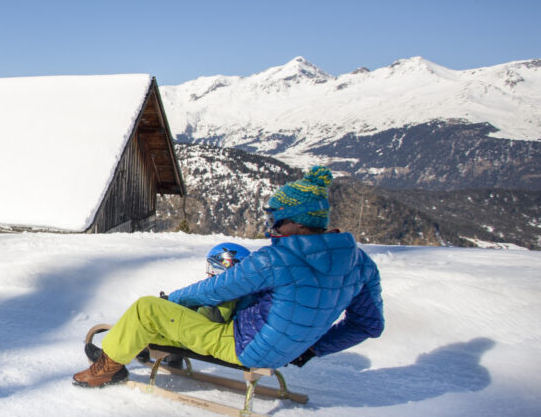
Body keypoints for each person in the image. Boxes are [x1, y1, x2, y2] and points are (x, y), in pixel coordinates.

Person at [75, 166, 384, 388]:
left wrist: (170, 301)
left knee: (148, 309)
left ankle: (107, 369)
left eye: (276, 218)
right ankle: (156, 347)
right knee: (199, 311)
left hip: (247, 346)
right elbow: (369, 324)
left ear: (300, 224)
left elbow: (215, 289)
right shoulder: (361, 263)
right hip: (286, 350)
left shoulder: (278, 259)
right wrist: (313, 347)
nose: (271, 226)